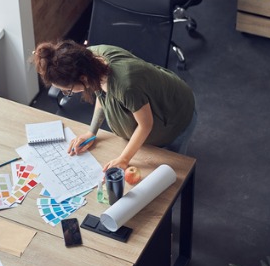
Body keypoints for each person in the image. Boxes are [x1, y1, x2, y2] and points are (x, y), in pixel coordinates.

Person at [31, 40, 196, 171]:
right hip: (148, 102)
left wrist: (123, 160)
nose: (71, 93)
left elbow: (146, 125)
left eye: (69, 90)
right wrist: (91, 132)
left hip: (175, 115)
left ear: (82, 78)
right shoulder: (89, 61)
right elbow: (102, 96)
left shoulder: (125, 85)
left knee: (172, 172)